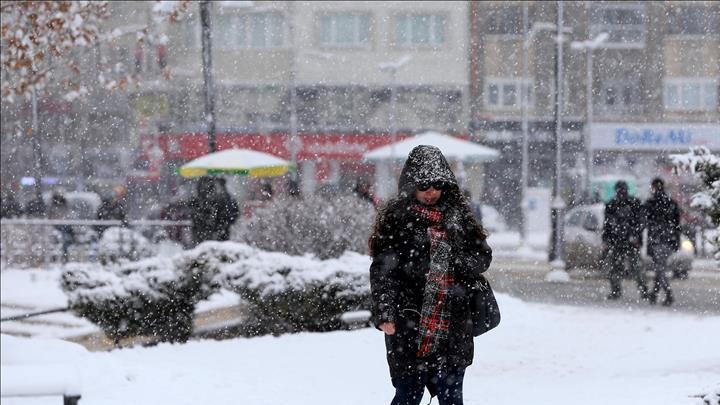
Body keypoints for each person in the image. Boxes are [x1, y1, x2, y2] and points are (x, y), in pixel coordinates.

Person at [369, 145, 492, 405]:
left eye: (437, 185)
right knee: (408, 395)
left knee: (451, 396)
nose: (431, 192)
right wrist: (385, 312)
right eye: (424, 185)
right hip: (409, 324)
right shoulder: (397, 219)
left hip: (453, 323)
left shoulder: (459, 216)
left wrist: (457, 260)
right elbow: (383, 271)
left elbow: (482, 257)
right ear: (411, 185)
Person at [601, 181, 648, 300]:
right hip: (618, 241)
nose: (621, 193)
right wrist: (607, 239)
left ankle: (642, 290)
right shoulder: (613, 204)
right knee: (618, 267)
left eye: (623, 190)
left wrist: (635, 236)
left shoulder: (633, 203)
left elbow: (641, 222)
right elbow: (607, 224)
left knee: (635, 268)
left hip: (627, 241)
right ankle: (618, 291)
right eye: (620, 190)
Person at [643, 178, 681, 306]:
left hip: (657, 240)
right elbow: (677, 225)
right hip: (668, 239)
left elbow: (646, 223)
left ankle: (668, 295)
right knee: (660, 268)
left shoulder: (651, 203)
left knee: (659, 269)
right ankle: (654, 294)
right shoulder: (671, 203)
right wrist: (676, 241)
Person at [189, 177, 239, 245]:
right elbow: (233, 212)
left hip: (207, 231)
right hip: (218, 230)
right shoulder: (223, 197)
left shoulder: (201, 198)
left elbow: (194, 213)